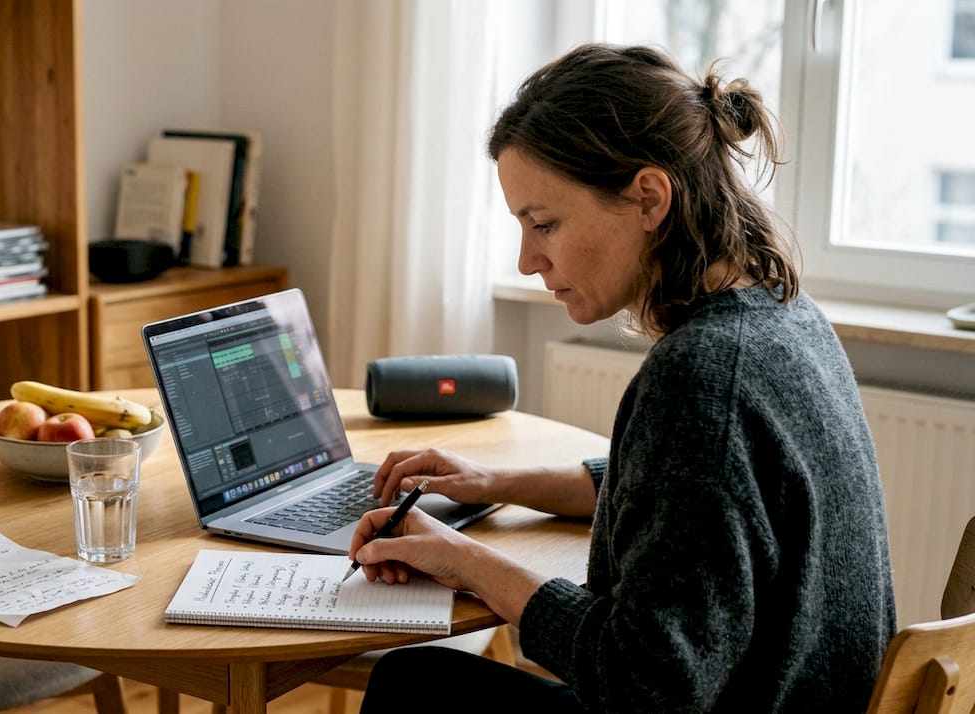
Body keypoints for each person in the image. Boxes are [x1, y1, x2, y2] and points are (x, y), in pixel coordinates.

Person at [349, 43, 896, 713]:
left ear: (648, 197)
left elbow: (646, 682)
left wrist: (465, 562)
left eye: (543, 223)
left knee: (414, 686)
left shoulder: (702, 377)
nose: (527, 260)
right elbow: (692, 497)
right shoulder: (784, 314)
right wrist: (500, 483)